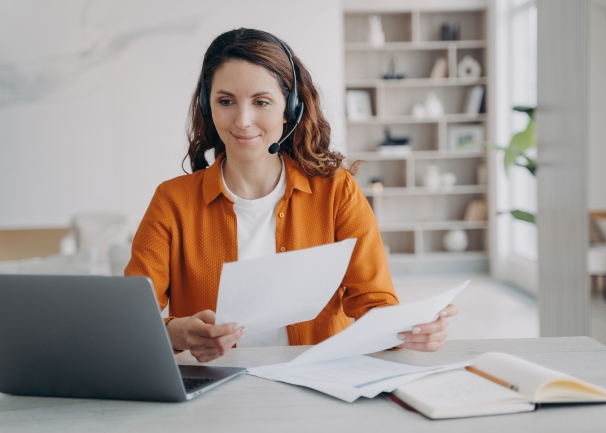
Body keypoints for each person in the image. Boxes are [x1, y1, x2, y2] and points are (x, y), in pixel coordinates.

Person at [125, 28, 457, 363]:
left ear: (290, 109)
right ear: (207, 106)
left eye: (261, 102)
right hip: (216, 392)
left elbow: (375, 304)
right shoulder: (172, 202)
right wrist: (175, 332)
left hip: (319, 386)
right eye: (226, 101)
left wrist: (410, 330)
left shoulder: (335, 192)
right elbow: (131, 319)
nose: (242, 120)